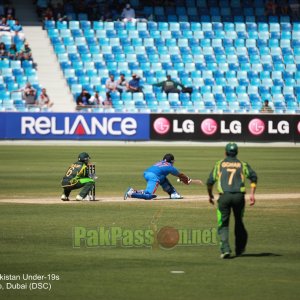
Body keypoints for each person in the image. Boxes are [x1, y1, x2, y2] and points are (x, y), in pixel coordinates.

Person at [206, 143, 258, 259]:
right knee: (239, 222)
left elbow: (210, 182)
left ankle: (225, 250)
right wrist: (252, 194)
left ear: (225, 152)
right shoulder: (242, 164)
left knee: (223, 224)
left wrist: (210, 195)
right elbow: (253, 177)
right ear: (237, 152)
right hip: (239, 197)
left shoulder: (219, 164)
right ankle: (239, 249)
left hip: (224, 197)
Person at [124, 153, 192, 200]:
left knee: (163, 179)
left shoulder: (160, 162)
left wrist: (182, 178)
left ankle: (173, 193)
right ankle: (131, 193)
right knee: (148, 195)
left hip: (147, 173)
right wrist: (187, 178)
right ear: (171, 161)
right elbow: (179, 175)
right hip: (153, 176)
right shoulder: (169, 166)